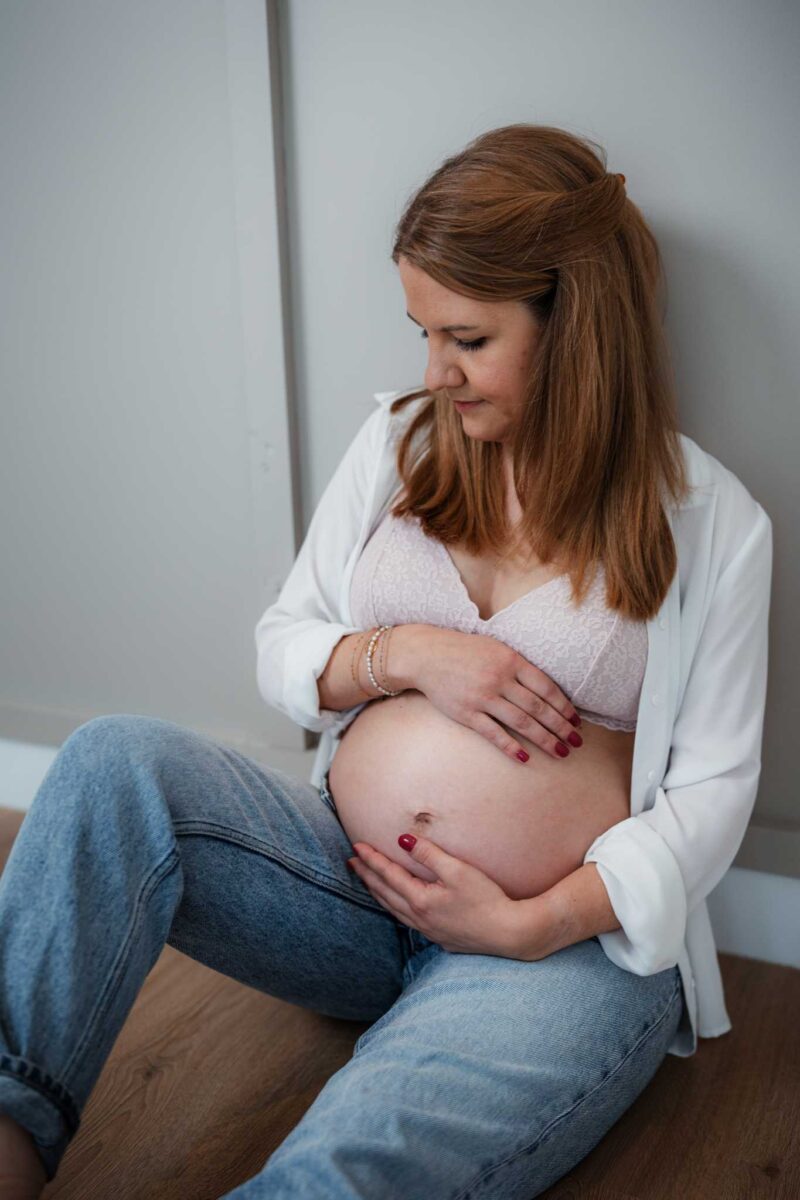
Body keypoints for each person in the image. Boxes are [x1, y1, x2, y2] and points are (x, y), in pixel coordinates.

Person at [0, 124, 772, 1199]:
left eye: (466, 339)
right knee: (109, 762)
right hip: (346, 890)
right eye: (422, 333)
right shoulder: (400, 441)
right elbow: (285, 642)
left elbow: (712, 795)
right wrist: (406, 655)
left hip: (555, 953)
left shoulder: (709, 521)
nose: (434, 372)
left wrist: (527, 923)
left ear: (576, 326)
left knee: (345, 1168)